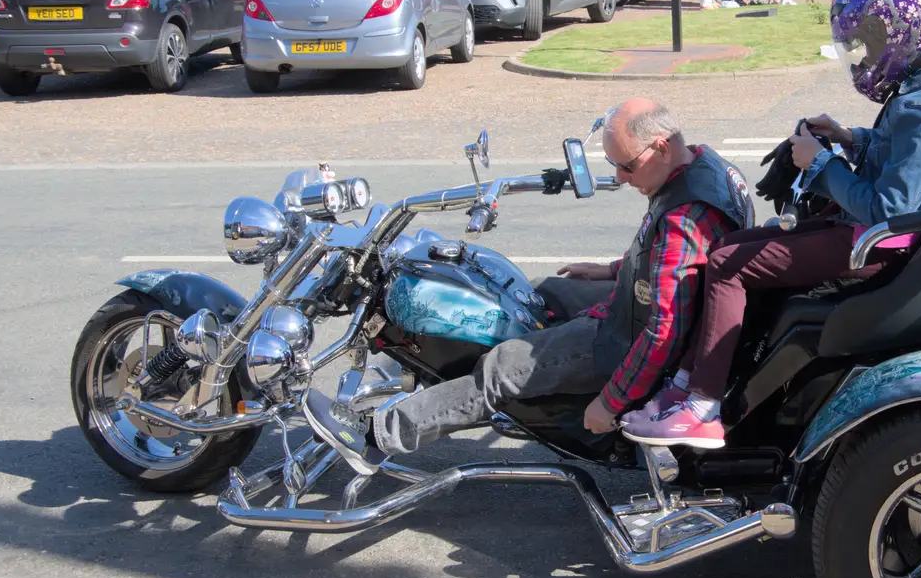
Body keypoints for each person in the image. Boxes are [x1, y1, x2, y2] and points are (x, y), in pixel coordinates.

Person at [620, 0, 921, 446]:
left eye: (873, 39)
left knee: (729, 263)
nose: (866, 54)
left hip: (877, 244)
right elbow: (913, 158)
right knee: (732, 248)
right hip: (893, 236)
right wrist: (848, 137)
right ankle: (690, 381)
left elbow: (889, 208)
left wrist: (819, 165)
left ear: (908, 29)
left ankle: (703, 408)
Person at [304, 100, 754, 468]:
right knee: (541, 293)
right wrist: (614, 270)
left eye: (626, 167)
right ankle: (542, 402)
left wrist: (614, 401)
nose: (619, 177)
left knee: (502, 369)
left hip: (629, 338)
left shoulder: (684, 217)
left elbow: (664, 331)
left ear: (660, 147)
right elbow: (683, 266)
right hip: (634, 306)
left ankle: (376, 436)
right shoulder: (705, 166)